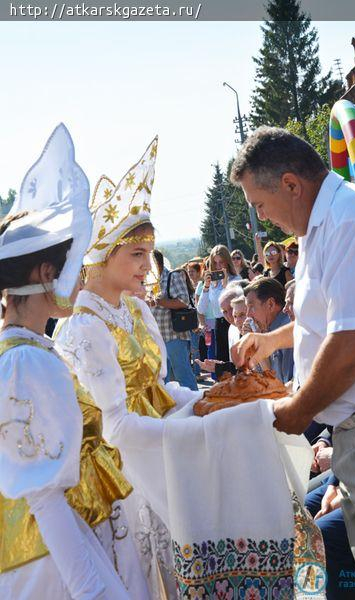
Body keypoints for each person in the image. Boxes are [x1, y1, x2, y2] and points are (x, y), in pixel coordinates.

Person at [230, 125, 355, 598]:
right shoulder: (321, 229)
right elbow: (325, 322)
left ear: (291, 184)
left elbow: (351, 344)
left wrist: (297, 410)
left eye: (259, 203)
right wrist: (272, 342)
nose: (261, 218)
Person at [55, 138, 203, 597]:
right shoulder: (84, 328)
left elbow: (160, 389)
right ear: (100, 256)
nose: (147, 266)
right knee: (141, 576)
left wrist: (209, 401)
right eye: (136, 254)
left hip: (158, 459)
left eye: (148, 253)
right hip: (121, 480)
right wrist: (187, 430)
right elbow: (116, 426)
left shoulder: (136, 312)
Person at [0, 124, 134, 599]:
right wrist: (93, 590)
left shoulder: (31, 352)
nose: (80, 281)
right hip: (45, 561)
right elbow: (42, 495)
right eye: (71, 267)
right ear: (44, 273)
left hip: (51, 550)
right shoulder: (26, 364)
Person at [152, 249, 198, 391]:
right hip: (156, 337)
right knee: (163, 379)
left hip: (174, 334)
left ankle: (195, 407)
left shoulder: (173, 276)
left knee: (182, 375)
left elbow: (184, 301)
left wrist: (160, 302)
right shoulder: (149, 280)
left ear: (157, 262)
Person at [244, 278, 293, 383]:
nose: (248, 314)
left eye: (251, 307)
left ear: (270, 304)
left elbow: (282, 383)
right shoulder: (270, 329)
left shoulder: (286, 331)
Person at [197, 244, 240, 362]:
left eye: (221, 262)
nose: (218, 266)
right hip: (219, 324)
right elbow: (201, 309)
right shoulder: (211, 283)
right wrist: (206, 286)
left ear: (227, 262)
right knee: (222, 361)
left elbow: (233, 302)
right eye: (215, 263)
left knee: (236, 360)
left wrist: (226, 284)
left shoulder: (235, 279)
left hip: (233, 322)